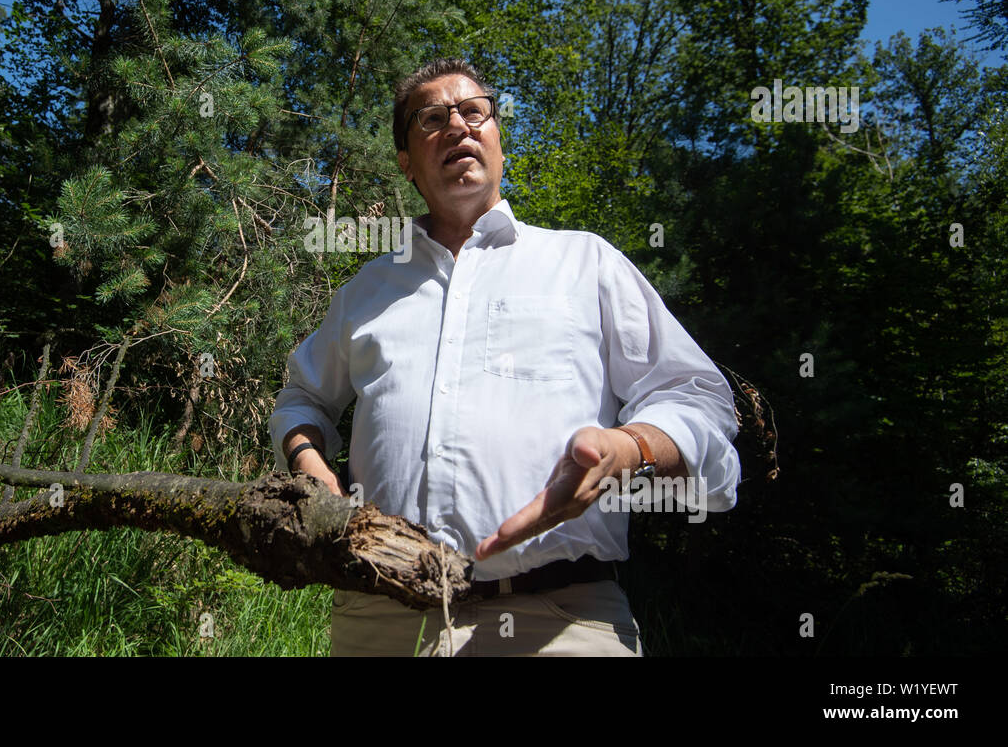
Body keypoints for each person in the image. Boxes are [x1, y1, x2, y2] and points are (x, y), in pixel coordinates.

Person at [270, 58, 740, 656]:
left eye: (475, 112)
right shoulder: (367, 291)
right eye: (432, 118)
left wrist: (630, 449)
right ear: (407, 162)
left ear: (497, 139)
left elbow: (697, 398)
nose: (459, 126)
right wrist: (310, 465)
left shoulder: (585, 264)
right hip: (379, 620)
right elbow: (301, 398)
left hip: (560, 619)